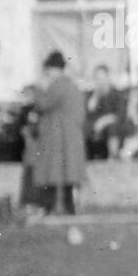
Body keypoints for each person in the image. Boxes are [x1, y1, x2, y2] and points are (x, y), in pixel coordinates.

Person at [32, 51, 86, 215]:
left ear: (54, 69)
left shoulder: (57, 85)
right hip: (71, 134)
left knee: (51, 171)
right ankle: (70, 208)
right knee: (69, 173)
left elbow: (43, 104)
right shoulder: (71, 85)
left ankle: (49, 207)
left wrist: (37, 89)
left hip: (58, 135)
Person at [85, 64, 125, 160]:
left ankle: (113, 157)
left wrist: (103, 121)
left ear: (107, 77)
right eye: (97, 78)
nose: (100, 80)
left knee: (112, 128)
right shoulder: (92, 93)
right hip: (95, 122)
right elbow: (89, 111)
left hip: (113, 121)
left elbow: (120, 113)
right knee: (84, 125)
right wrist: (96, 94)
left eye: (102, 77)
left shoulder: (116, 93)